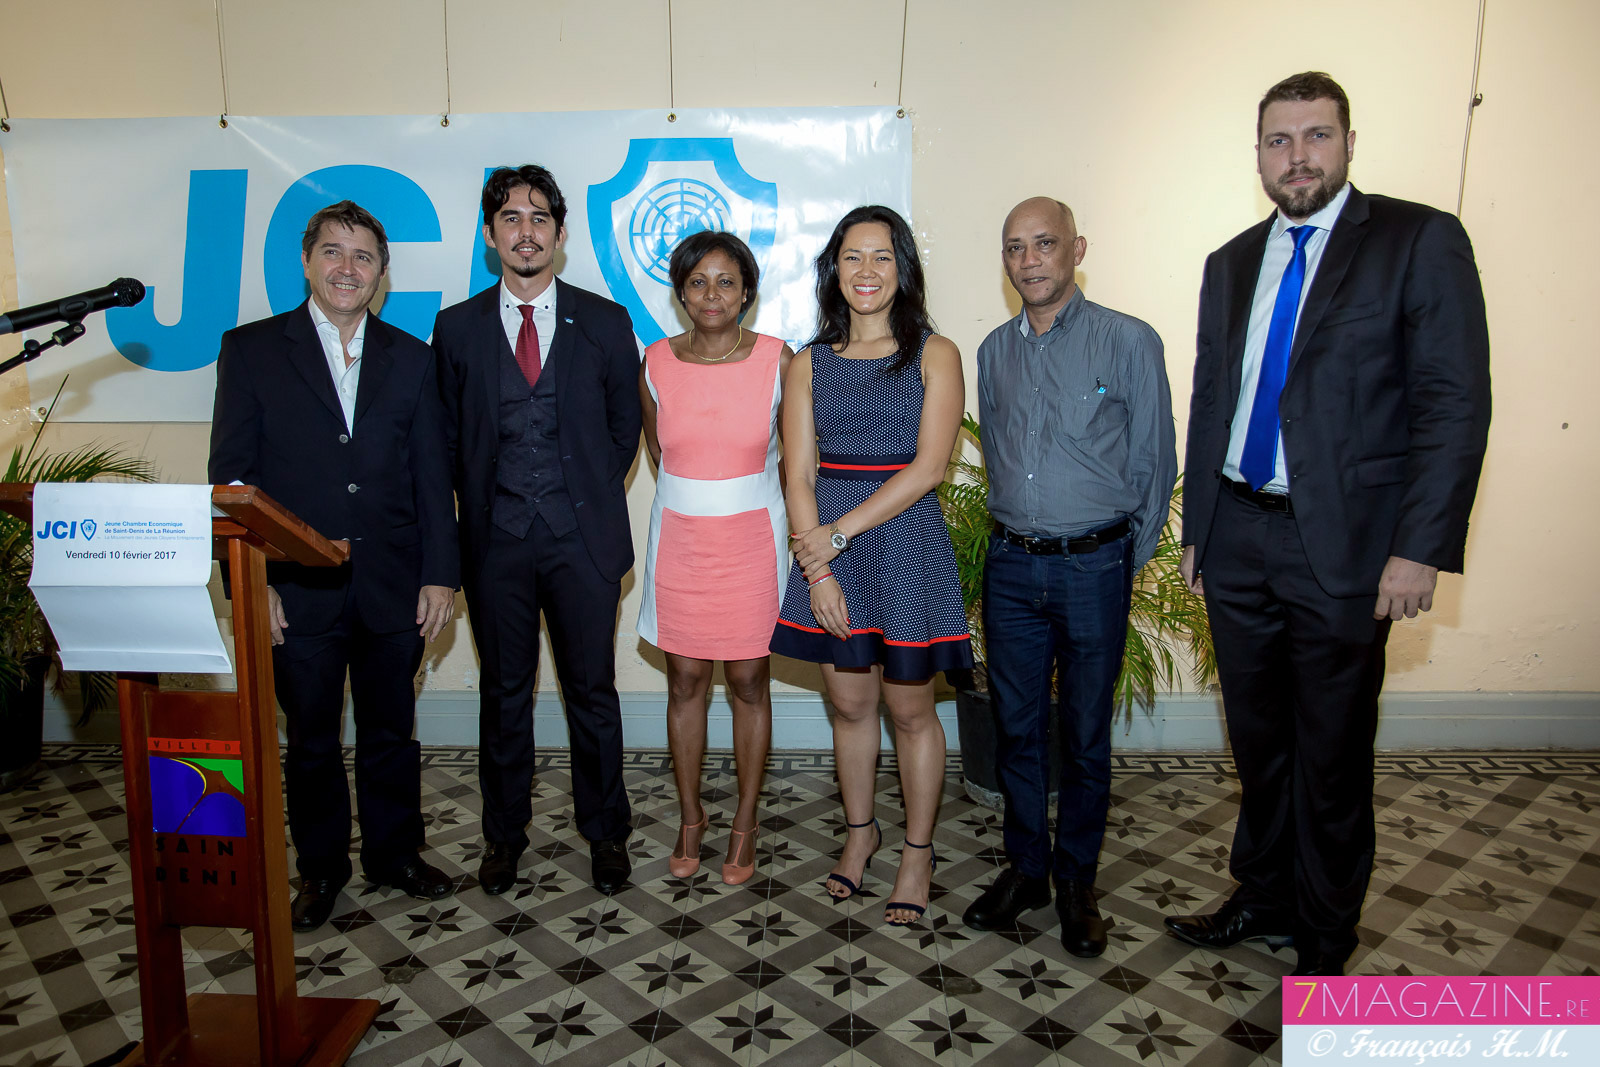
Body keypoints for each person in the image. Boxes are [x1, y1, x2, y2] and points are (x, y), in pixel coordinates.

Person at [1169, 72, 1491, 976]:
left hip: (1346, 549)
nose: (1298, 155)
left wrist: (1419, 547)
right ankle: (1263, 891)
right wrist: (1199, 527)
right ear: (1259, 154)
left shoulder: (1416, 240)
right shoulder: (1231, 262)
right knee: (1261, 741)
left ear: (1349, 142)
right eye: (1279, 140)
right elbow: (1212, 398)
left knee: (1333, 753)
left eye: (1316, 136)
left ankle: (1323, 934)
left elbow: (1454, 403)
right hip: (1237, 538)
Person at [209, 200, 460, 931]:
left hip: (394, 584)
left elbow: (431, 476)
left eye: (363, 257)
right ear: (306, 260)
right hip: (294, 587)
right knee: (311, 738)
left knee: (392, 730)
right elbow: (230, 481)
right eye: (332, 252)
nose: (346, 268)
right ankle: (320, 868)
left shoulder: (413, 358)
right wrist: (249, 582)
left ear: (382, 273)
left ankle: (395, 854)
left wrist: (440, 573)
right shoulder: (251, 349)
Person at [961, 198, 1176, 957]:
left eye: (1044, 244)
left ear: (1076, 248)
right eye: (1015, 248)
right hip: (1012, 566)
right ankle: (1027, 868)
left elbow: (1155, 464)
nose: (1030, 261)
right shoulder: (993, 350)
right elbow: (995, 450)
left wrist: (1120, 554)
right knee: (1017, 730)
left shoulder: (1128, 341)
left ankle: (1078, 879)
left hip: (1094, 566)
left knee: (1083, 735)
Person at [432, 165, 642, 897]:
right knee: (503, 693)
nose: (526, 231)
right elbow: (448, 439)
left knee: (594, 691)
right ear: (491, 235)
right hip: (494, 543)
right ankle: (503, 836)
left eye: (540, 217)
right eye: (511, 218)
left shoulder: (606, 323)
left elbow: (624, 433)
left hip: (579, 543)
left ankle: (606, 830)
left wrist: (573, 495)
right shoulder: (455, 328)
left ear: (560, 233)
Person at [771, 204, 972, 926]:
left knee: (910, 709)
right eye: (853, 257)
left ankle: (918, 851)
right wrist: (819, 568)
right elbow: (797, 472)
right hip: (830, 553)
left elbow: (927, 468)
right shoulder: (806, 362)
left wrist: (838, 536)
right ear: (834, 269)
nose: (867, 271)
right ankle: (861, 835)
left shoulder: (934, 352)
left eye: (882, 256)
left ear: (903, 268)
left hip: (902, 538)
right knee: (850, 705)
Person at [638, 231, 793, 885]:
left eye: (726, 281)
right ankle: (692, 816)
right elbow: (658, 452)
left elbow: (797, 459)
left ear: (748, 292)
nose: (712, 293)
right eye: (698, 281)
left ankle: (745, 821)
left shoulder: (780, 359)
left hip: (754, 539)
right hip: (680, 539)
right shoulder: (653, 360)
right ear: (679, 292)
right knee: (685, 683)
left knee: (750, 683)